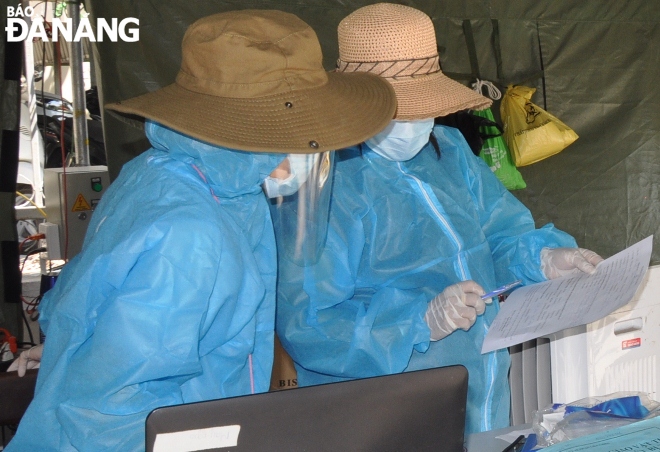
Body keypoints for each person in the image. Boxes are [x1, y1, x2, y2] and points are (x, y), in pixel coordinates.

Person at [5, 10, 396, 451]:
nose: (313, 147)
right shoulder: (190, 234)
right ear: (248, 134)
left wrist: (74, 348)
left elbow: (92, 293)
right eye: (301, 131)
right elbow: (115, 414)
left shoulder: (191, 178)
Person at [275, 3, 603, 435]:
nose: (416, 122)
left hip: (482, 394)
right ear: (355, 103)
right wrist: (419, 321)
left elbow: (497, 237)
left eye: (423, 106)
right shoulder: (324, 182)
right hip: (383, 417)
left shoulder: (446, 150)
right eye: (399, 109)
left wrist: (541, 258)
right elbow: (310, 324)